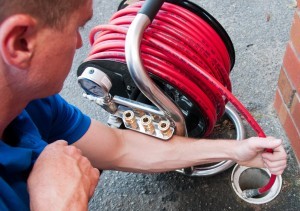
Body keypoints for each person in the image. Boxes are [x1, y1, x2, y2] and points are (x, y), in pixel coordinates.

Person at [0, 0, 287, 210]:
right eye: (77, 27)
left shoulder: (33, 102)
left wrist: (235, 151)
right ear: (21, 42)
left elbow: (118, 147)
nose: (79, 44)